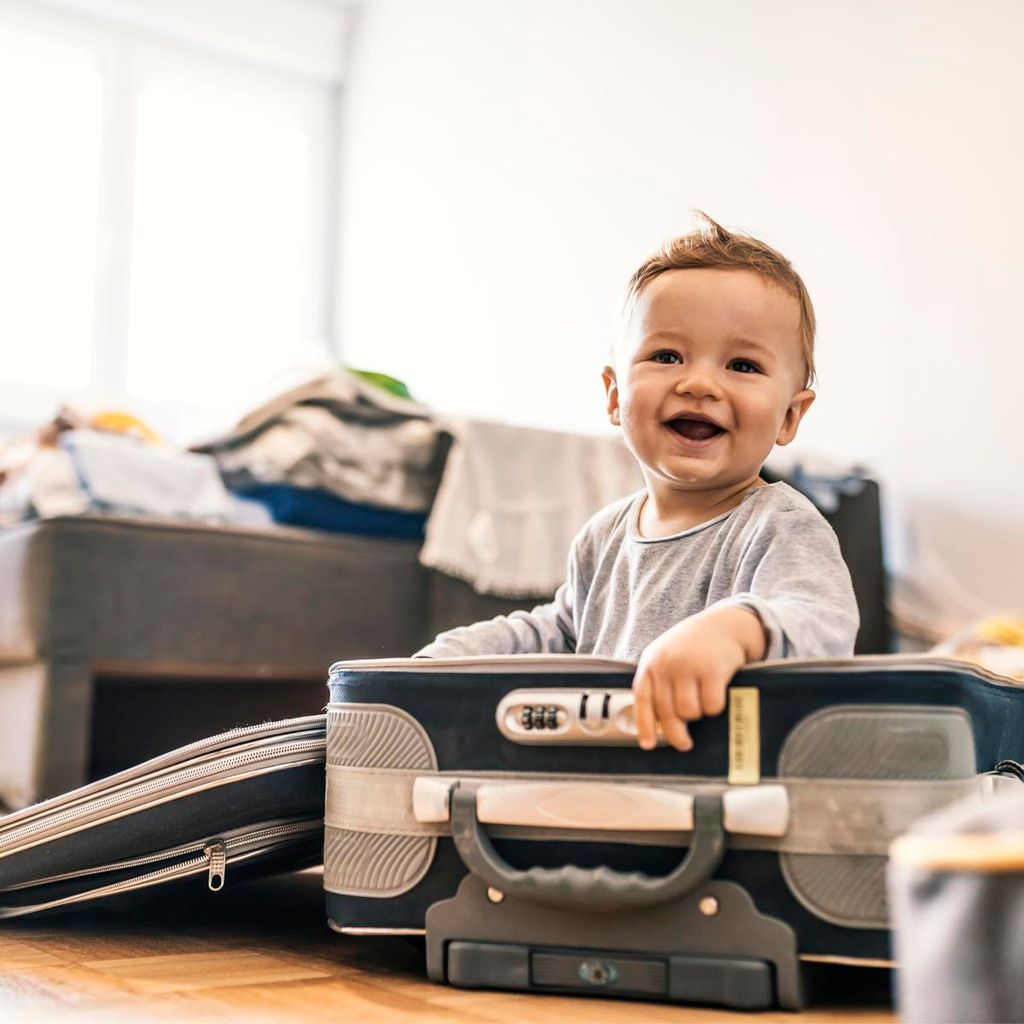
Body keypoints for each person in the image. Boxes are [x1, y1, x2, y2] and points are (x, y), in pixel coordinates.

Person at [416, 213, 859, 752]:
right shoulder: (603, 536)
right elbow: (558, 634)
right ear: (613, 395)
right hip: (613, 772)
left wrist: (734, 630)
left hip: (727, 786)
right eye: (666, 356)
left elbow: (822, 625)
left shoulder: (779, 525)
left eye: (742, 365)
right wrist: (454, 656)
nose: (698, 383)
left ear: (790, 417)